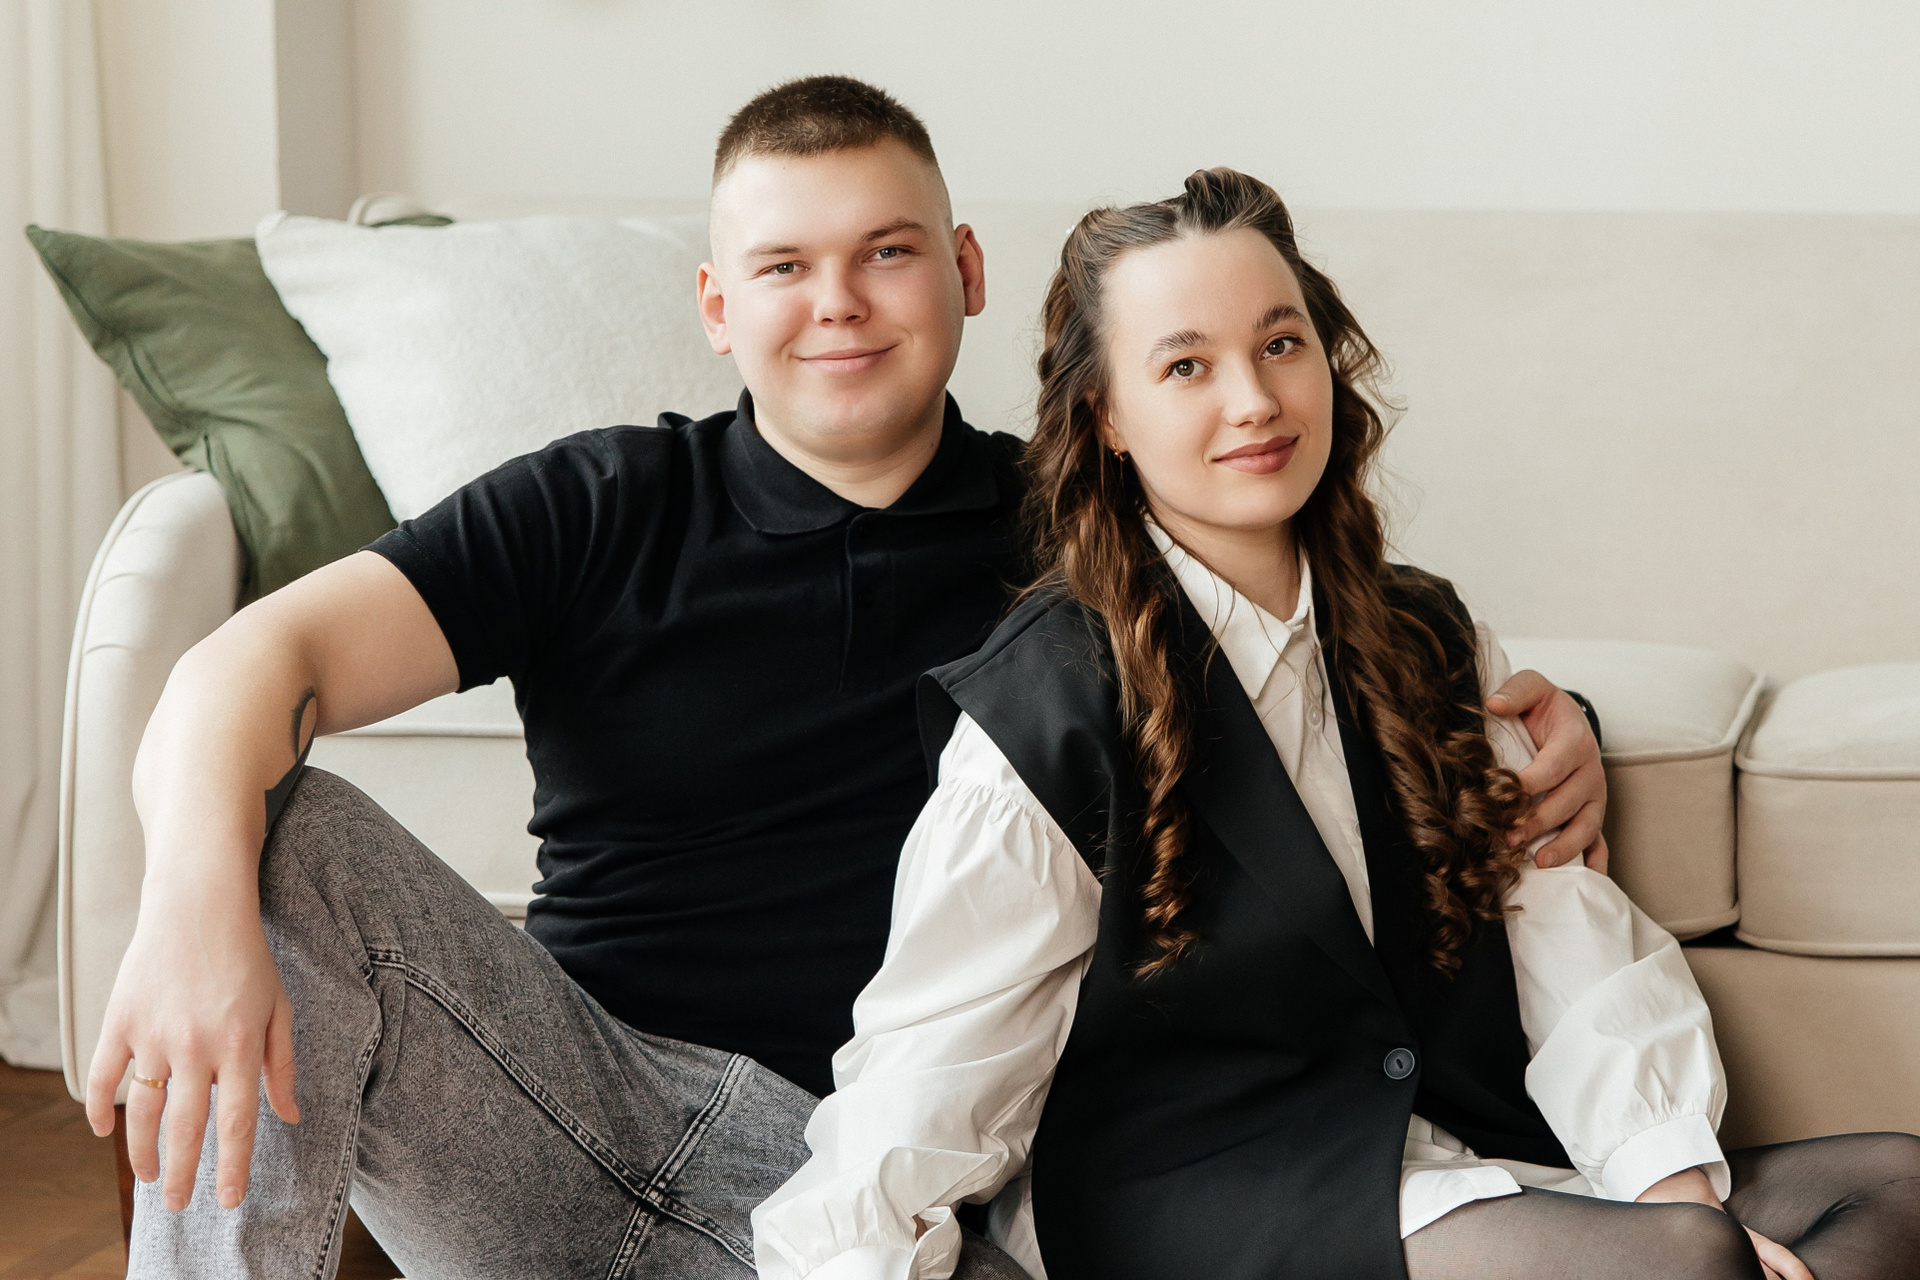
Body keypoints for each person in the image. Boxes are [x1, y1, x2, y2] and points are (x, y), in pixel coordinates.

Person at [86, 80, 1606, 1279]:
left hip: (926, 1193)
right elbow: (251, 661)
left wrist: (1556, 731)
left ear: (964, 271)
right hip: (578, 1112)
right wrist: (186, 914)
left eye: (887, 251)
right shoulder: (600, 505)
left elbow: (1327, 651)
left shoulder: (1092, 533)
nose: (841, 302)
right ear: (715, 305)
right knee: (283, 835)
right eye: (784, 266)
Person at [751, 168, 1920, 1280]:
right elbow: (926, 1076)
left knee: (1891, 1189)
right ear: (1105, 414)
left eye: (1280, 343)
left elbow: (1563, 936)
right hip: (1199, 1198)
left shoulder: (1426, 634)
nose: (1255, 400)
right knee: (1683, 1262)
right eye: (1186, 365)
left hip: (1438, 1148)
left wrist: (1679, 1192)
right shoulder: (1047, 704)